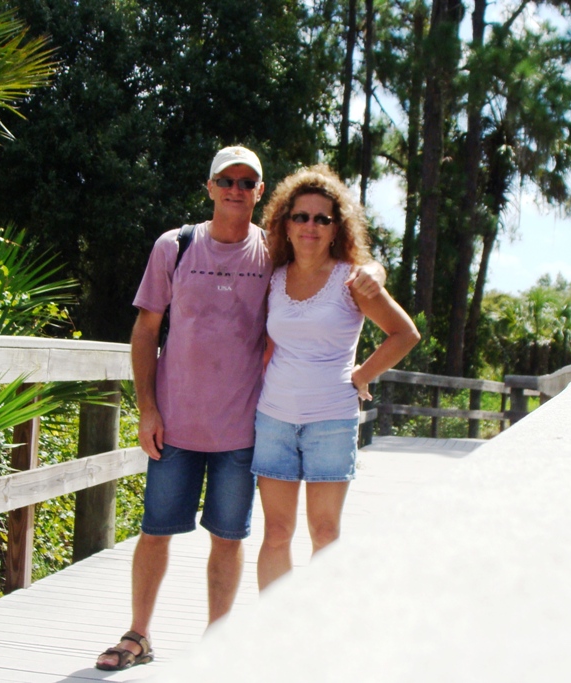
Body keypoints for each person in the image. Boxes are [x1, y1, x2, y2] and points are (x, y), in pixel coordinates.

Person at [96, 147, 386, 671]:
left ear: (260, 191)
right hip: (174, 424)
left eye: (246, 181)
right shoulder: (175, 246)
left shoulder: (271, 253)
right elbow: (145, 330)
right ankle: (138, 635)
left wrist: (375, 270)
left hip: (244, 428)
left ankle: (219, 644)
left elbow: (330, 259)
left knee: (228, 538)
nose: (235, 189)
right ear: (209, 187)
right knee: (155, 530)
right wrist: (147, 409)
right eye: (225, 180)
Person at [252, 164, 420, 591]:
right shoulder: (272, 278)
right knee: (276, 533)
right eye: (301, 216)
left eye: (322, 219)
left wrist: (363, 373)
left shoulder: (352, 280)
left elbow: (404, 334)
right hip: (274, 420)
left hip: (331, 421)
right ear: (285, 224)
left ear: (335, 228)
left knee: (325, 535)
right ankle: (273, 626)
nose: (310, 226)